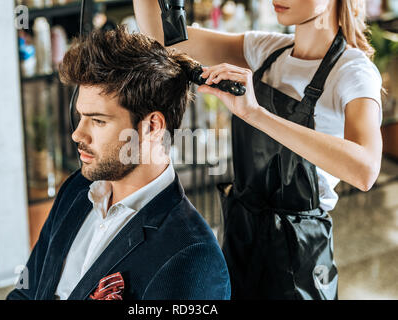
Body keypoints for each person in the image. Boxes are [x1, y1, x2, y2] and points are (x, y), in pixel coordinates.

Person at [134, 0, 383, 299]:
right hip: (242, 232)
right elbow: (165, 37)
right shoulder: (267, 50)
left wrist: (257, 114)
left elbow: (365, 169)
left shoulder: (353, 71)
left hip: (297, 258)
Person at [7, 26, 230, 300]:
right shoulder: (77, 189)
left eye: (98, 120)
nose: (77, 134)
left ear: (152, 126)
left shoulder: (192, 259)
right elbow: (26, 293)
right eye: (80, 116)